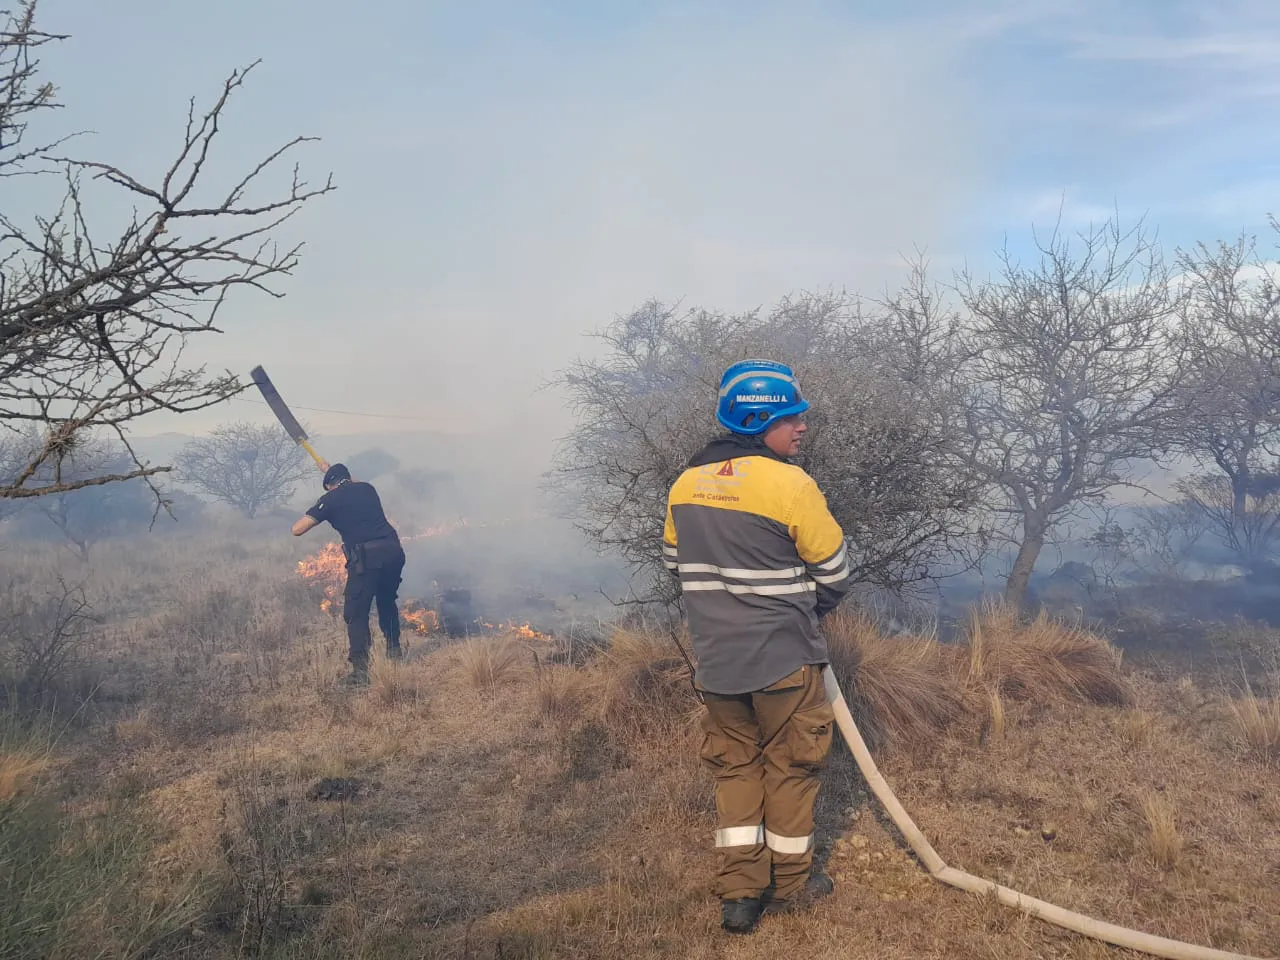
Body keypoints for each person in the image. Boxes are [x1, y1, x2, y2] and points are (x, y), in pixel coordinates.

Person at [663, 359, 853, 935]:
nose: (801, 428)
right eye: (792, 418)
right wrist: (803, 608)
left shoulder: (686, 483)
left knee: (736, 769)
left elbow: (676, 563)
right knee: (791, 766)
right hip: (784, 660)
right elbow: (834, 570)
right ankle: (792, 885)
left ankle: (741, 895)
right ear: (759, 418)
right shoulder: (790, 483)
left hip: (717, 661)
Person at [292, 462, 405, 687]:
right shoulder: (367, 488)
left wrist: (322, 505)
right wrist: (329, 468)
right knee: (386, 601)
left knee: (356, 612)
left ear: (330, 486)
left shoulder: (330, 500)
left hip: (367, 558)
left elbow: (298, 529)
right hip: (393, 552)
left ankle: (361, 672)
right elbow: (352, 483)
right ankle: (394, 651)